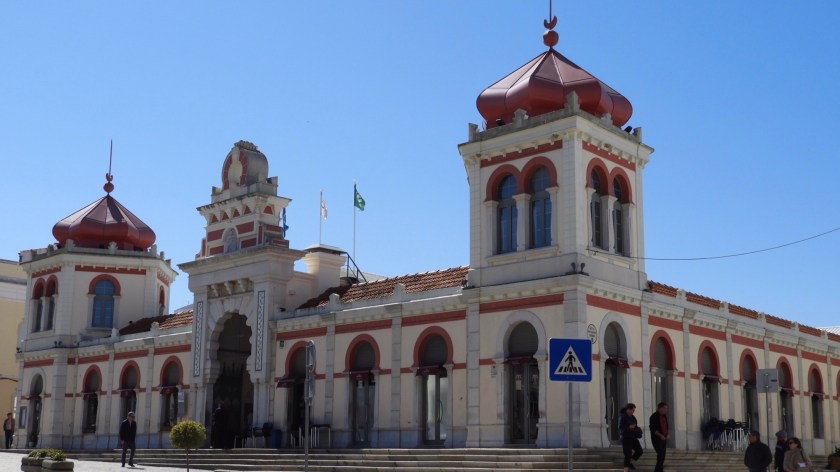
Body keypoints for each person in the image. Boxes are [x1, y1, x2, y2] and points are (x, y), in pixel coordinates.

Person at [619, 403, 643, 471]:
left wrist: (637, 429)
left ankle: (630, 462)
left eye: (634, 410)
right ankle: (625, 469)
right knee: (628, 455)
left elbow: (635, 425)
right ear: (628, 409)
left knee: (639, 451)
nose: (633, 412)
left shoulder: (633, 417)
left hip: (633, 437)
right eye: (632, 410)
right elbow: (620, 427)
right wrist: (629, 427)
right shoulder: (622, 416)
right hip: (626, 438)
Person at [649, 402, 669, 472]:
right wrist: (660, 435)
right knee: (660, 454)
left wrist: (667, 434)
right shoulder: (653, 416)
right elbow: (653, 429)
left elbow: (666, 426)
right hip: (656, 439)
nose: (666, 410)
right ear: (660, 408)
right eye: (665, 408)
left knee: (663, 456)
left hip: (664, 439)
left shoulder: (664, 416)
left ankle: (660, 470)